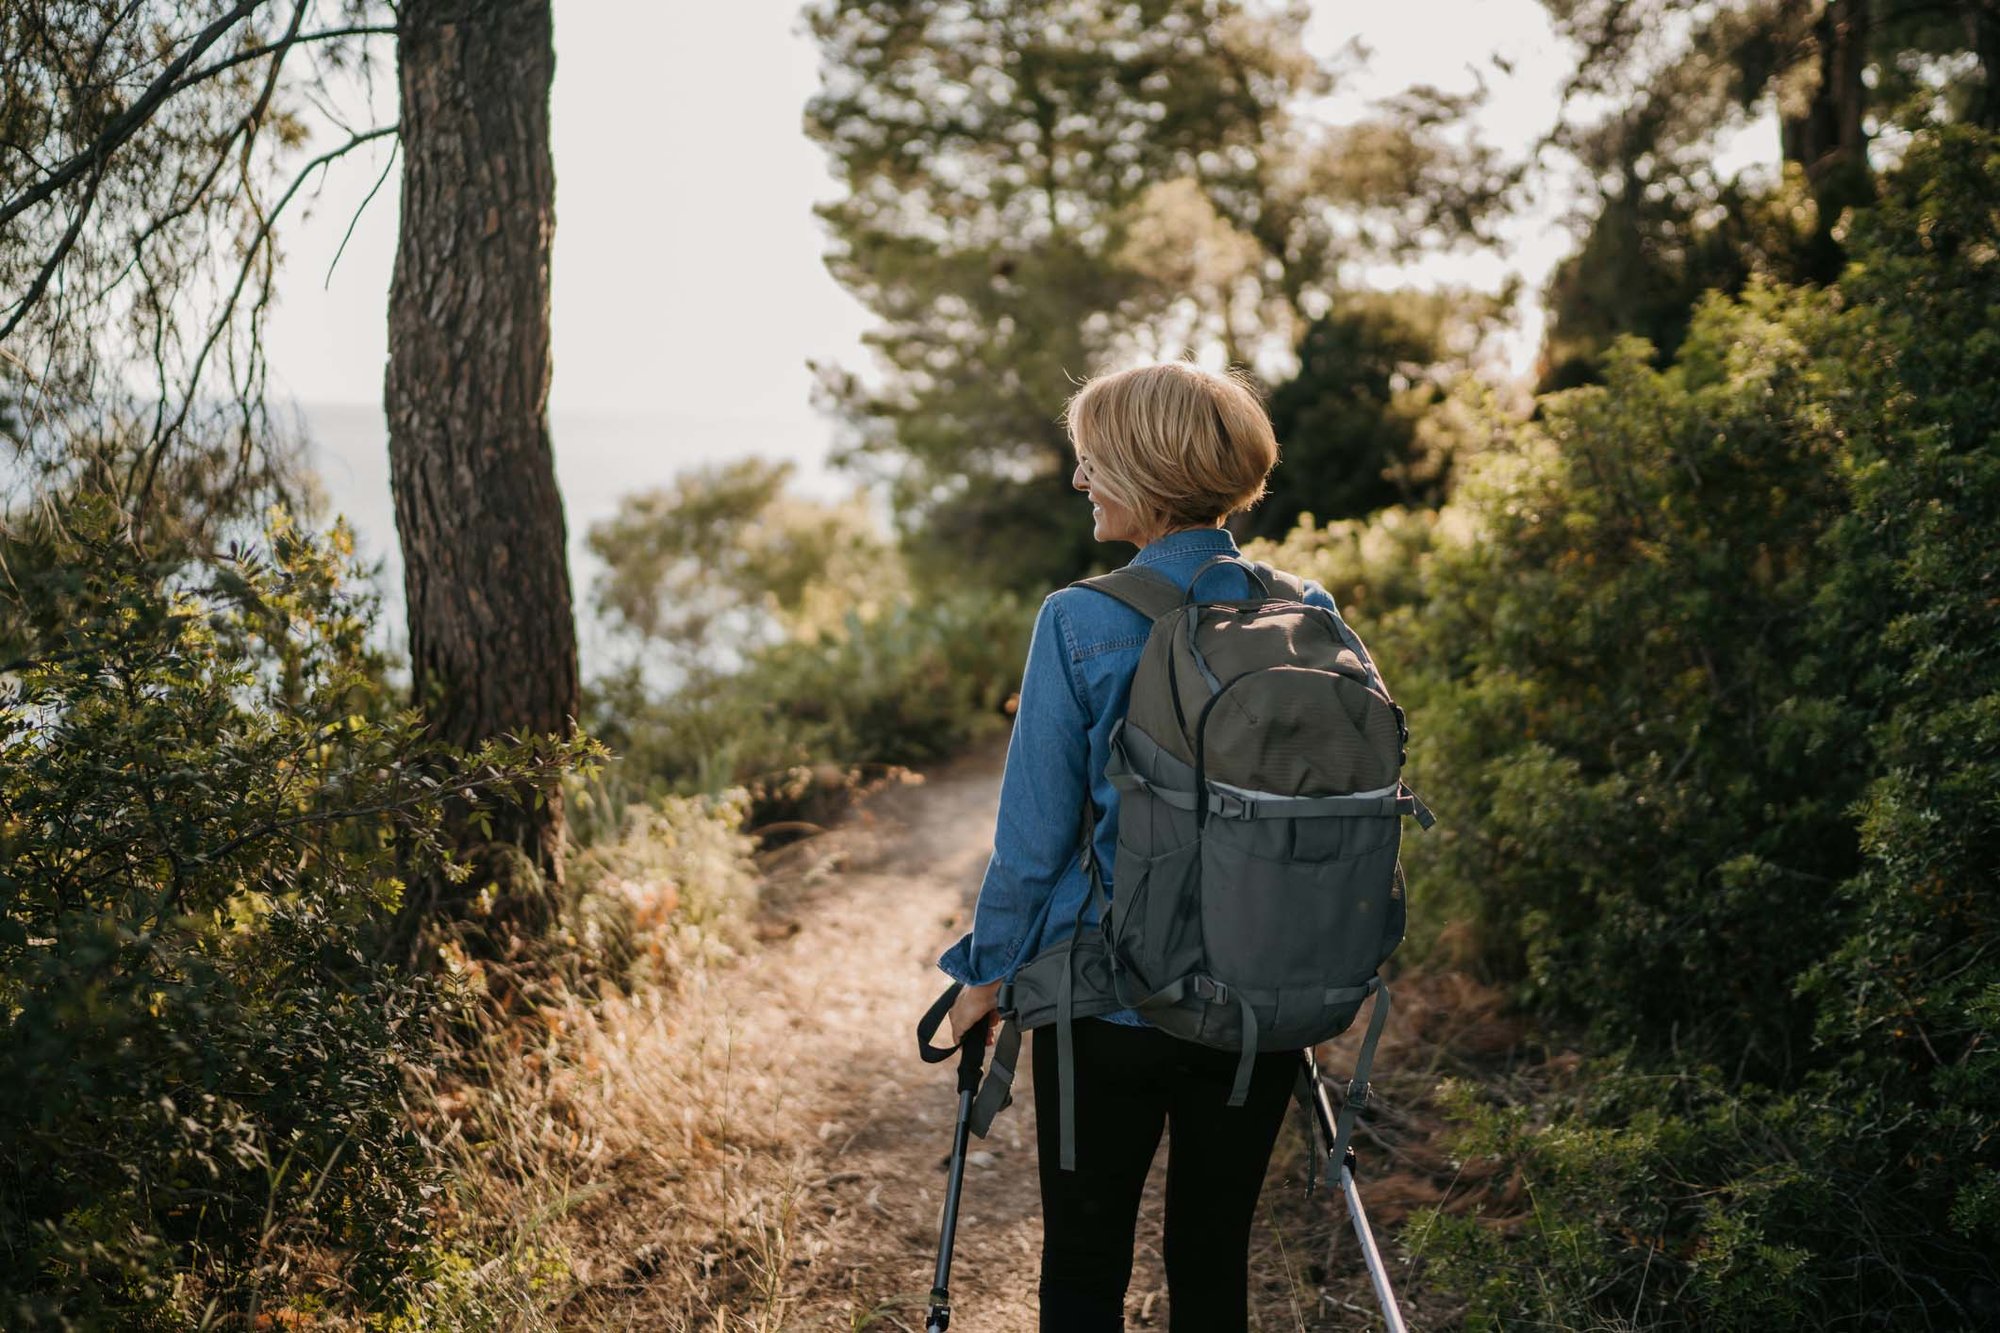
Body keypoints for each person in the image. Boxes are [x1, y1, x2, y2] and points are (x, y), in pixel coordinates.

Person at [936, 360, 1350, 1332]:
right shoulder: (1306, 612)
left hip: (1105, 1005)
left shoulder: (1078, 620)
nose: (1079, 481)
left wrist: (984, 976)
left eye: (1091, 462)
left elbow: (1031, 845)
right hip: (1258, 1005)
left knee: (1083, 1266)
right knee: (1212, 1261)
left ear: (1144, 473)